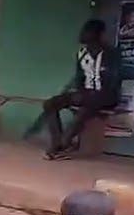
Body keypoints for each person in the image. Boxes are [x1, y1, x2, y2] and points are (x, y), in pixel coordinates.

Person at [41, 19, 121, 159]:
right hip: (87, 94)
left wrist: (94, 95)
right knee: (50, 104)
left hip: (107, 96)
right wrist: (80, 94)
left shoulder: (111, 54)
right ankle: (57, 142)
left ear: (99, 34)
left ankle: (62, 145)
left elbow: (113, 82)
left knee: (85, 109)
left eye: (89, 32)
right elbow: (80, 79)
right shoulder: (81, 54)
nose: (84, 34)